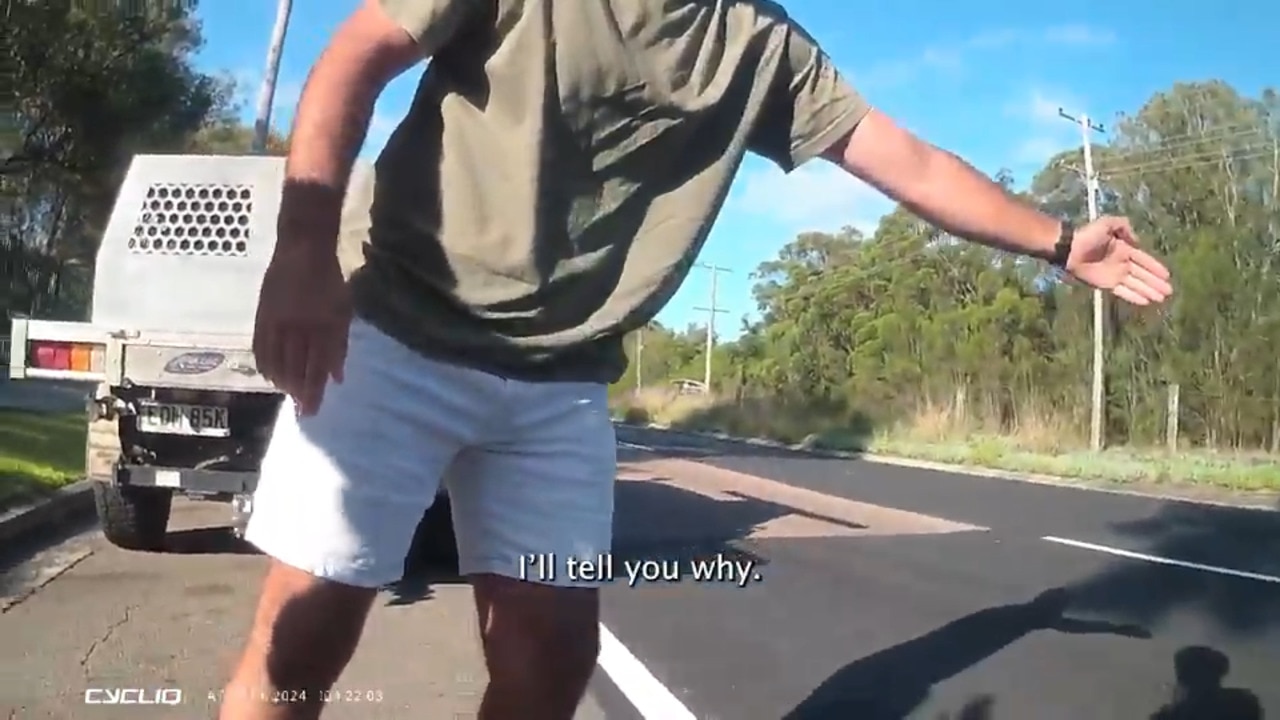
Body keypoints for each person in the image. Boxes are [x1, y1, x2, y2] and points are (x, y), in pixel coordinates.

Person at [220, 0, 1174, 718]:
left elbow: (911, 163)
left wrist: (1059, 241)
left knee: (550, 659)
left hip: (559, 381)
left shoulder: (764, 46)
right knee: (307, 631)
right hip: (399, 330)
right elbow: (353, 57)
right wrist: (302, 246)